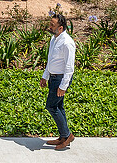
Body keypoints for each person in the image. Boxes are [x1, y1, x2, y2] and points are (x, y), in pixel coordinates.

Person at [40, 12, 77, 150]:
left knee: (51, 106)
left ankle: (67, 136)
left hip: (60, 79)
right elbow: (51, 59)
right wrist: (45, 76)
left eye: (52, 25)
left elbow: (69, 67)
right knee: (59, 107)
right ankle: (63, 136)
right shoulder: (54, 39)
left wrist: (63, 86)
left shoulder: (67, 43)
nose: (49, 26)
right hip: (53, 78)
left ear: (60, 28)